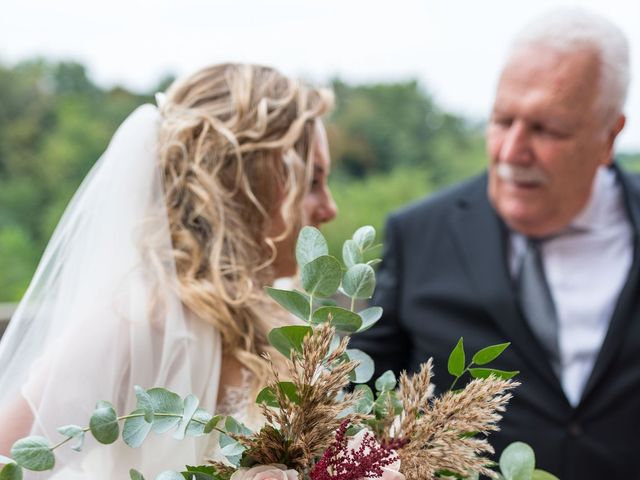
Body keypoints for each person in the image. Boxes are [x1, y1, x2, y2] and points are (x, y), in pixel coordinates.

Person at [0, 63, 337, 478]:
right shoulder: (132, 325)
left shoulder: (289, 326)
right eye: (314, 181)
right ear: (253, 183)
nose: (330, 209)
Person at [350, 9, 639, 479]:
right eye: (502, 121)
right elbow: (355, 404)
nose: (511, 153)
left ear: (609, 136)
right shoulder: (418, 233)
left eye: (547, 130)